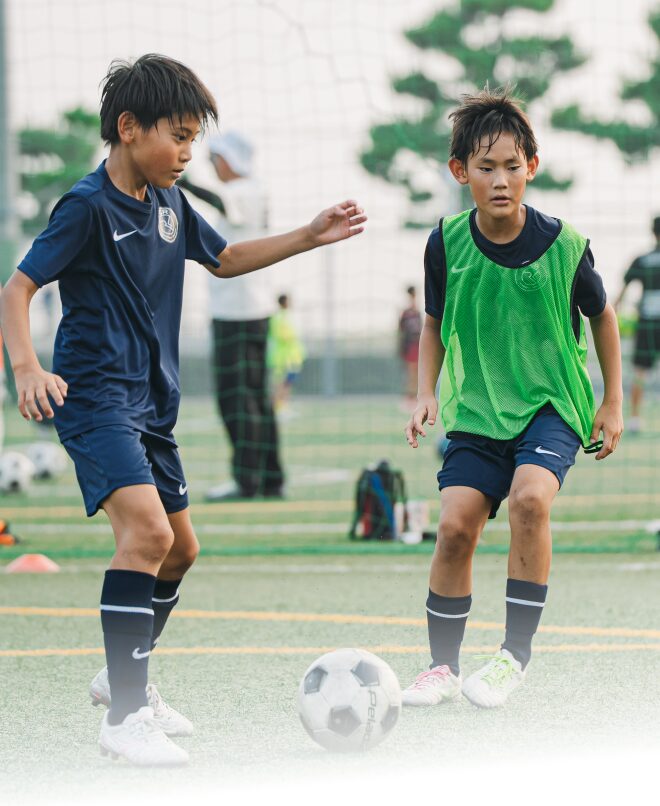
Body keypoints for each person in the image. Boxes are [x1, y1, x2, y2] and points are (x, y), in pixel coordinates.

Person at [0, 53, 366, 766]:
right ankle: (125, 716)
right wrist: (26, 367)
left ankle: (124, 677)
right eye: (179, 136)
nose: (188, 153)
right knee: (146, 533)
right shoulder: (85, 207)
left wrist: (307, 234)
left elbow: (224, 259)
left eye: (194, 139)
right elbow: (17, 288)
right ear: (129, 128)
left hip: (151, 403)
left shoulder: (170, 203)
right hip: (95, 397)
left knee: (181, 549)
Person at [403, 88, 622, 710]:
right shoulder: (445, 243)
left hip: (552, 406)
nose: (500, 181)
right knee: (454, 528)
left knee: (530, 499)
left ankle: (511, 657)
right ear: (460, 172)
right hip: (478, 409)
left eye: (512, 166)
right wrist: (425, 393)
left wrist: (611, 403)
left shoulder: (564, 245)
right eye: (485, 167)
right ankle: (442, 668)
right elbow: (433, 322)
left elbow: (603, 317)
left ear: (532, 166)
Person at [179, 131, 283, 501]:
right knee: (255, 398)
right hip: (253, 309)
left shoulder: (244, 191)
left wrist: (180, 180)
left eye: (213, 159)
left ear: (228, 160)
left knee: (236, 399)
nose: (212, 166)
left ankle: (247, 480)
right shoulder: (253, 191)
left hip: (237, 312)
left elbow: (217, 199)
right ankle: (270, 478)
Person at [613, 216, 660, 433]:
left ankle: (634, 418)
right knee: (640, 371)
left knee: (640, 371)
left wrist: (612, 320)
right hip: (647, 323)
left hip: (647, 323)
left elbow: (622, 291)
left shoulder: (643, 260)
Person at [268, 293, 305, 413]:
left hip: (293, 357)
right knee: (280, 383)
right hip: (283, 358)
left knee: (288, 383)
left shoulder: (289, 316)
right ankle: (275, 407)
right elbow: (281, 335)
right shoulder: (278, 317)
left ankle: (282, 406)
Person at [398, 285, 422, 410]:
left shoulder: (418, 312)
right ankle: (409, 398)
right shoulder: (406, 313)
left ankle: (415, 397)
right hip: (410, 346)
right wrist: (402, 348)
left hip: (417, 345)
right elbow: (401, 331)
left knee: (417, 372)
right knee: (411, 372)